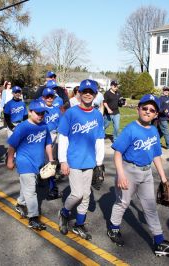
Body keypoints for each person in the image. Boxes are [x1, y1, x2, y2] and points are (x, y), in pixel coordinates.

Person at [107, 94, 169, 257]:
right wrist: (120, 174)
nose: (148, 111)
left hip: (146, 173)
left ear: (156, 114)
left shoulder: (154, 131)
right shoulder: (131, 129)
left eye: (152, 110)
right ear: (138, 109)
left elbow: (156, 155)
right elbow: (118, 153)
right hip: (128, 170)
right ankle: (113, 229)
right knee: (122, 203)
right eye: (145, 108)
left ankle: (159, 241)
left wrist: (163, 178)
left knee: (150, 207)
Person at [58, 79, 105, 241]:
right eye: (84, 91)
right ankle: (64, 213)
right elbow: (63, 137)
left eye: (90, 92)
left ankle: (79, 224)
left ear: (95, 94)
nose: (87, 94)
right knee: (77, 194)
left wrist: (99, 163)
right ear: (79, 93)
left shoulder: (98, 116)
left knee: (86, 195)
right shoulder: (71, 113)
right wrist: (62, 160)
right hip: (73, 160)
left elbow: (99, 140)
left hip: (90, 161)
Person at [7, 99, 53, 231]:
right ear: (30, 112)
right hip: (24, 162)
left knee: (28, 187)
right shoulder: (22, 127)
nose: (40, 115)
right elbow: (12, 145)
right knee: (31, 190)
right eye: (37, 113)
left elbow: (48, 143)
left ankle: (20, 203)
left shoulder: (44, 126)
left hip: (38, 163)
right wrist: (10, 160)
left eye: (42, 113)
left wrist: (51, 160)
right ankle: (33, 218)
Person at [42, 87, 63, 200]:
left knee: (52, 161)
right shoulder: (41, 109)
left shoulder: (56, 109)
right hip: (45, 137)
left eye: (51, 96)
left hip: (55, 135)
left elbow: (60, 122)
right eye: (47, 96)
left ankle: (44, 181)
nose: (50, 98)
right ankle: (52, 190)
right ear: (43, 97)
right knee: (49, 162)